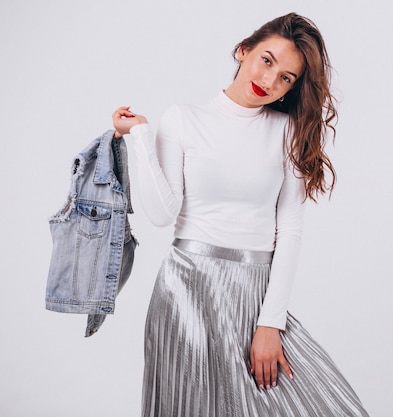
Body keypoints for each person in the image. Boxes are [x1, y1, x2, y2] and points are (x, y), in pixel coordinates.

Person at [112, 12, 369, 417]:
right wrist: (141, 135)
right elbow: (163, 214)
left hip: (254, 294)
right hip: (185, 290)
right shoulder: (184, 118)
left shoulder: (287, 131)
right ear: (243, 50)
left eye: (286, 77)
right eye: (267, 61)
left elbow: (290, 231)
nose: (269, 81)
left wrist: (271, 322)